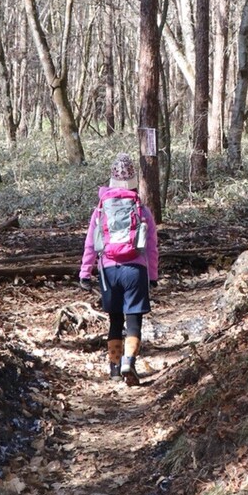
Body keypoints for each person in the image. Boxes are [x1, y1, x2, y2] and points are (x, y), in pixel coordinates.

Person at [78, 153, 159, 385]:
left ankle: (114, 368)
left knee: (114, 320)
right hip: (135, 270)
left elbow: (91, 244)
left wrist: (85, 272)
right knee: (134, 320)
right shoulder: (141, 210)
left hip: (108, 271)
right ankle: (129, 363)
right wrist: (152, 275)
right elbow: (152, 247)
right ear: (134, 182)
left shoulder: (101, 210)